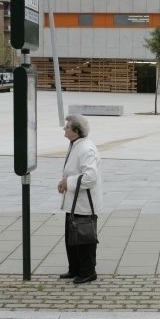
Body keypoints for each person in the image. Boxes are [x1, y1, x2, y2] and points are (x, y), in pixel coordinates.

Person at [58, 114, 103, 284]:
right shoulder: (76, 144)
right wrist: (65, 182)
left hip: (84, 204)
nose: (65, 129)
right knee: (72, 238)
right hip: (74, 203)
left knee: (84, 239)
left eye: (67, 127)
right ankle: (75, 269)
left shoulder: (86, 148)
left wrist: (67, 182)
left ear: (76, 131)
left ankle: (88, 271)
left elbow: (90, 177)